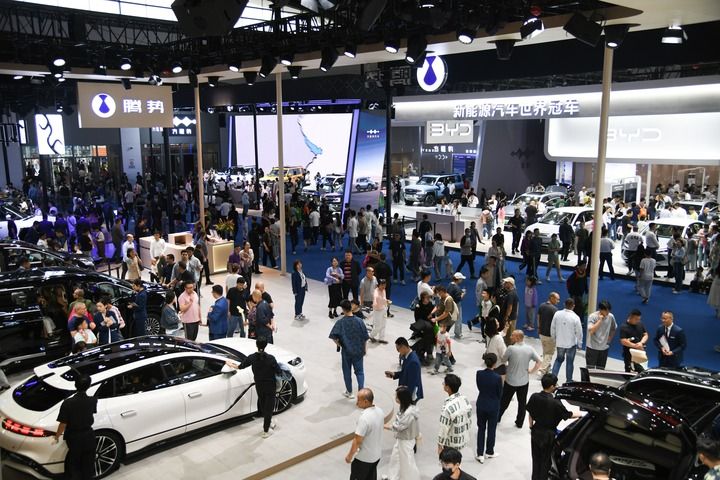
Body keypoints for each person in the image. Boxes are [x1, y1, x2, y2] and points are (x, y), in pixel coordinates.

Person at [526, 374, 578, 480]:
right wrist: (580, 414)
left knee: (536, 458)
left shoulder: (534, 396)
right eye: (555, 385)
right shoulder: (555, 402)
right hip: (548, 435)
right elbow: (567, 415)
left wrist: (531, 427)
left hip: (536, 431)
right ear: (551, 386)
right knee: (545, 461)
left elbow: (530, 414)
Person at [230, 338, 280, 438]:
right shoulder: (271, 358)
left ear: (256, 345)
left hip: (259, 385)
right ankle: (266, 430)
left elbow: (240, 366)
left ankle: (269, 422)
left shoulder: (252, 357)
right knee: (269, 408)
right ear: (266, 345)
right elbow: (278, 371)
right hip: (270, 386)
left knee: (263, 405)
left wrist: (229, 364)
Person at [52, 375, 97, 480]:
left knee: (75, 462)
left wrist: (57, 436)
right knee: (88, 462)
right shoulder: (93, 400)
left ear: (75, 385)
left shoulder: (68, 402)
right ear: (89, 386)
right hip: (89, 435)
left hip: (74, 436)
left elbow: (63, 423)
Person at [499, 330, 541, 428]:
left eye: (512, 335)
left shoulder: (511, 348)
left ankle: (497, 417)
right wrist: (532, 371)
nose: (510, 337)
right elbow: (539, 361)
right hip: (524, 381)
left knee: (504, 401)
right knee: (522, 403)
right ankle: (519, 422)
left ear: (517, 338)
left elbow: (503, 360)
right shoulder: (530, 349)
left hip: (510, 381)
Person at [330, 299, 370, 399]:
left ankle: (349, 392)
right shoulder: (360, 321)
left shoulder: (340, 322)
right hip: (359, 350)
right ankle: (361, 393)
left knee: (347, 372)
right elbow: (365, 337)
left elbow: (333, 337)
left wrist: (340, 345)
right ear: (351, 308)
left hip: (347, 352)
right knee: (360, 372)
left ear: (343, 309)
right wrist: (364, 349)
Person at [345, 388, 384, 480]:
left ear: (366, 401)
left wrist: (349, 456)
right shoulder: (380, 411)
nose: (356, 403)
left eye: (359, 400)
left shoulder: (364, 418)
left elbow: (357, 441)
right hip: (376, 456)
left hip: (363, 459)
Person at [383, 386, 421, 480]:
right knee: (395, 458)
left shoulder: (408, 413)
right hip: (401, 439)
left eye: (397, 397)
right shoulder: (407, 408)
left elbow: (399, 427)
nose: (395, 398)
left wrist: (384, 426)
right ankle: (393, 477)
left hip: (406, 441)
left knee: (407, 462)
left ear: (402, 399)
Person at [475, 352, 502, 464]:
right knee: (491, 429)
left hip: (481, 403)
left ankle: (480, 454)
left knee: (481, 428)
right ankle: (489, 451)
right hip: (493, 406)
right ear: (495, 363)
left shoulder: (479, 374)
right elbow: (499, 393)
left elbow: (479, 387)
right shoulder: (497, 378)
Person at [437, 373, 473, 455]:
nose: (443, 384)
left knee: (450, 462)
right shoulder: (465, 399)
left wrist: (440, 445)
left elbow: (444, 428)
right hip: (462, 439)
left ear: (447, 388)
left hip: (450, 443)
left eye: (444, 383)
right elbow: (469, 420)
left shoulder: (447, 407)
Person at [550, 298, 583, 383]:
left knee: (558, 360)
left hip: (560, 343)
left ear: (564, 304)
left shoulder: (557, 314)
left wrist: (553, 338)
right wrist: (580, 343)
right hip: (571, 344)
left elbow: (552, 327)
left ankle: (552, 381)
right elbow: (579, 332)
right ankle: (569, 381)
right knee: (570, 363)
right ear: (573, 306)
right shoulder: (576, 317)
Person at [385, 337, 424, 403]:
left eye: (398, 349)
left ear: (403, 347)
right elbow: (405, 372)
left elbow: (412, 383)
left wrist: (404, 398)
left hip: (410, 396)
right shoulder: (408, 356)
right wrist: (394, 374)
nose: (398, 352)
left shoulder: (413, 362)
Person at [586, 300, 617, 370]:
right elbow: (591, 331)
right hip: (592, 348)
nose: (608, 312)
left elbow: (614, 328)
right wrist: (600, 320)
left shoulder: (611, 316)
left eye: (609, 310)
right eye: (606, 311)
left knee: (601, 370)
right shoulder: (592, 316)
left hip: (604, 348)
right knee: (590, 370)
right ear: (600, 310)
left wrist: (610, 338)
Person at [447, 272, 466, 339]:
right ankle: (458, 334)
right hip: (456, 305)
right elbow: (458, 299)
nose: (462, 280)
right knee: (458, 319)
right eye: (461, 279)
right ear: (458, 279)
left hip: (450, 304)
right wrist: (463, 294)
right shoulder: (457, 288)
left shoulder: (450, 284)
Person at [500, 277, 519, 345]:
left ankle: (509, 348)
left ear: (510, 284)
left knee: (509, 336)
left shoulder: (511, 294)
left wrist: (506, 317)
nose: (504, 284)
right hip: (511, 318)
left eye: (506, 283)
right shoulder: (513, 293)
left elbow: (510, 307)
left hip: (510, 319)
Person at [370, 279, 390, 343]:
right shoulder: (376, 291)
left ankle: (381, 339)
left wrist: (387, 301)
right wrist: (375, 303)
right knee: (378, 326)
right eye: (382, 285)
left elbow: (384, 299)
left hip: (384, 309)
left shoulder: (384, 290)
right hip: (377, 311)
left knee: (383, 325)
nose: (384, 286)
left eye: (385, 285)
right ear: (379, 285)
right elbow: (375, 298)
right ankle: (371, 336)